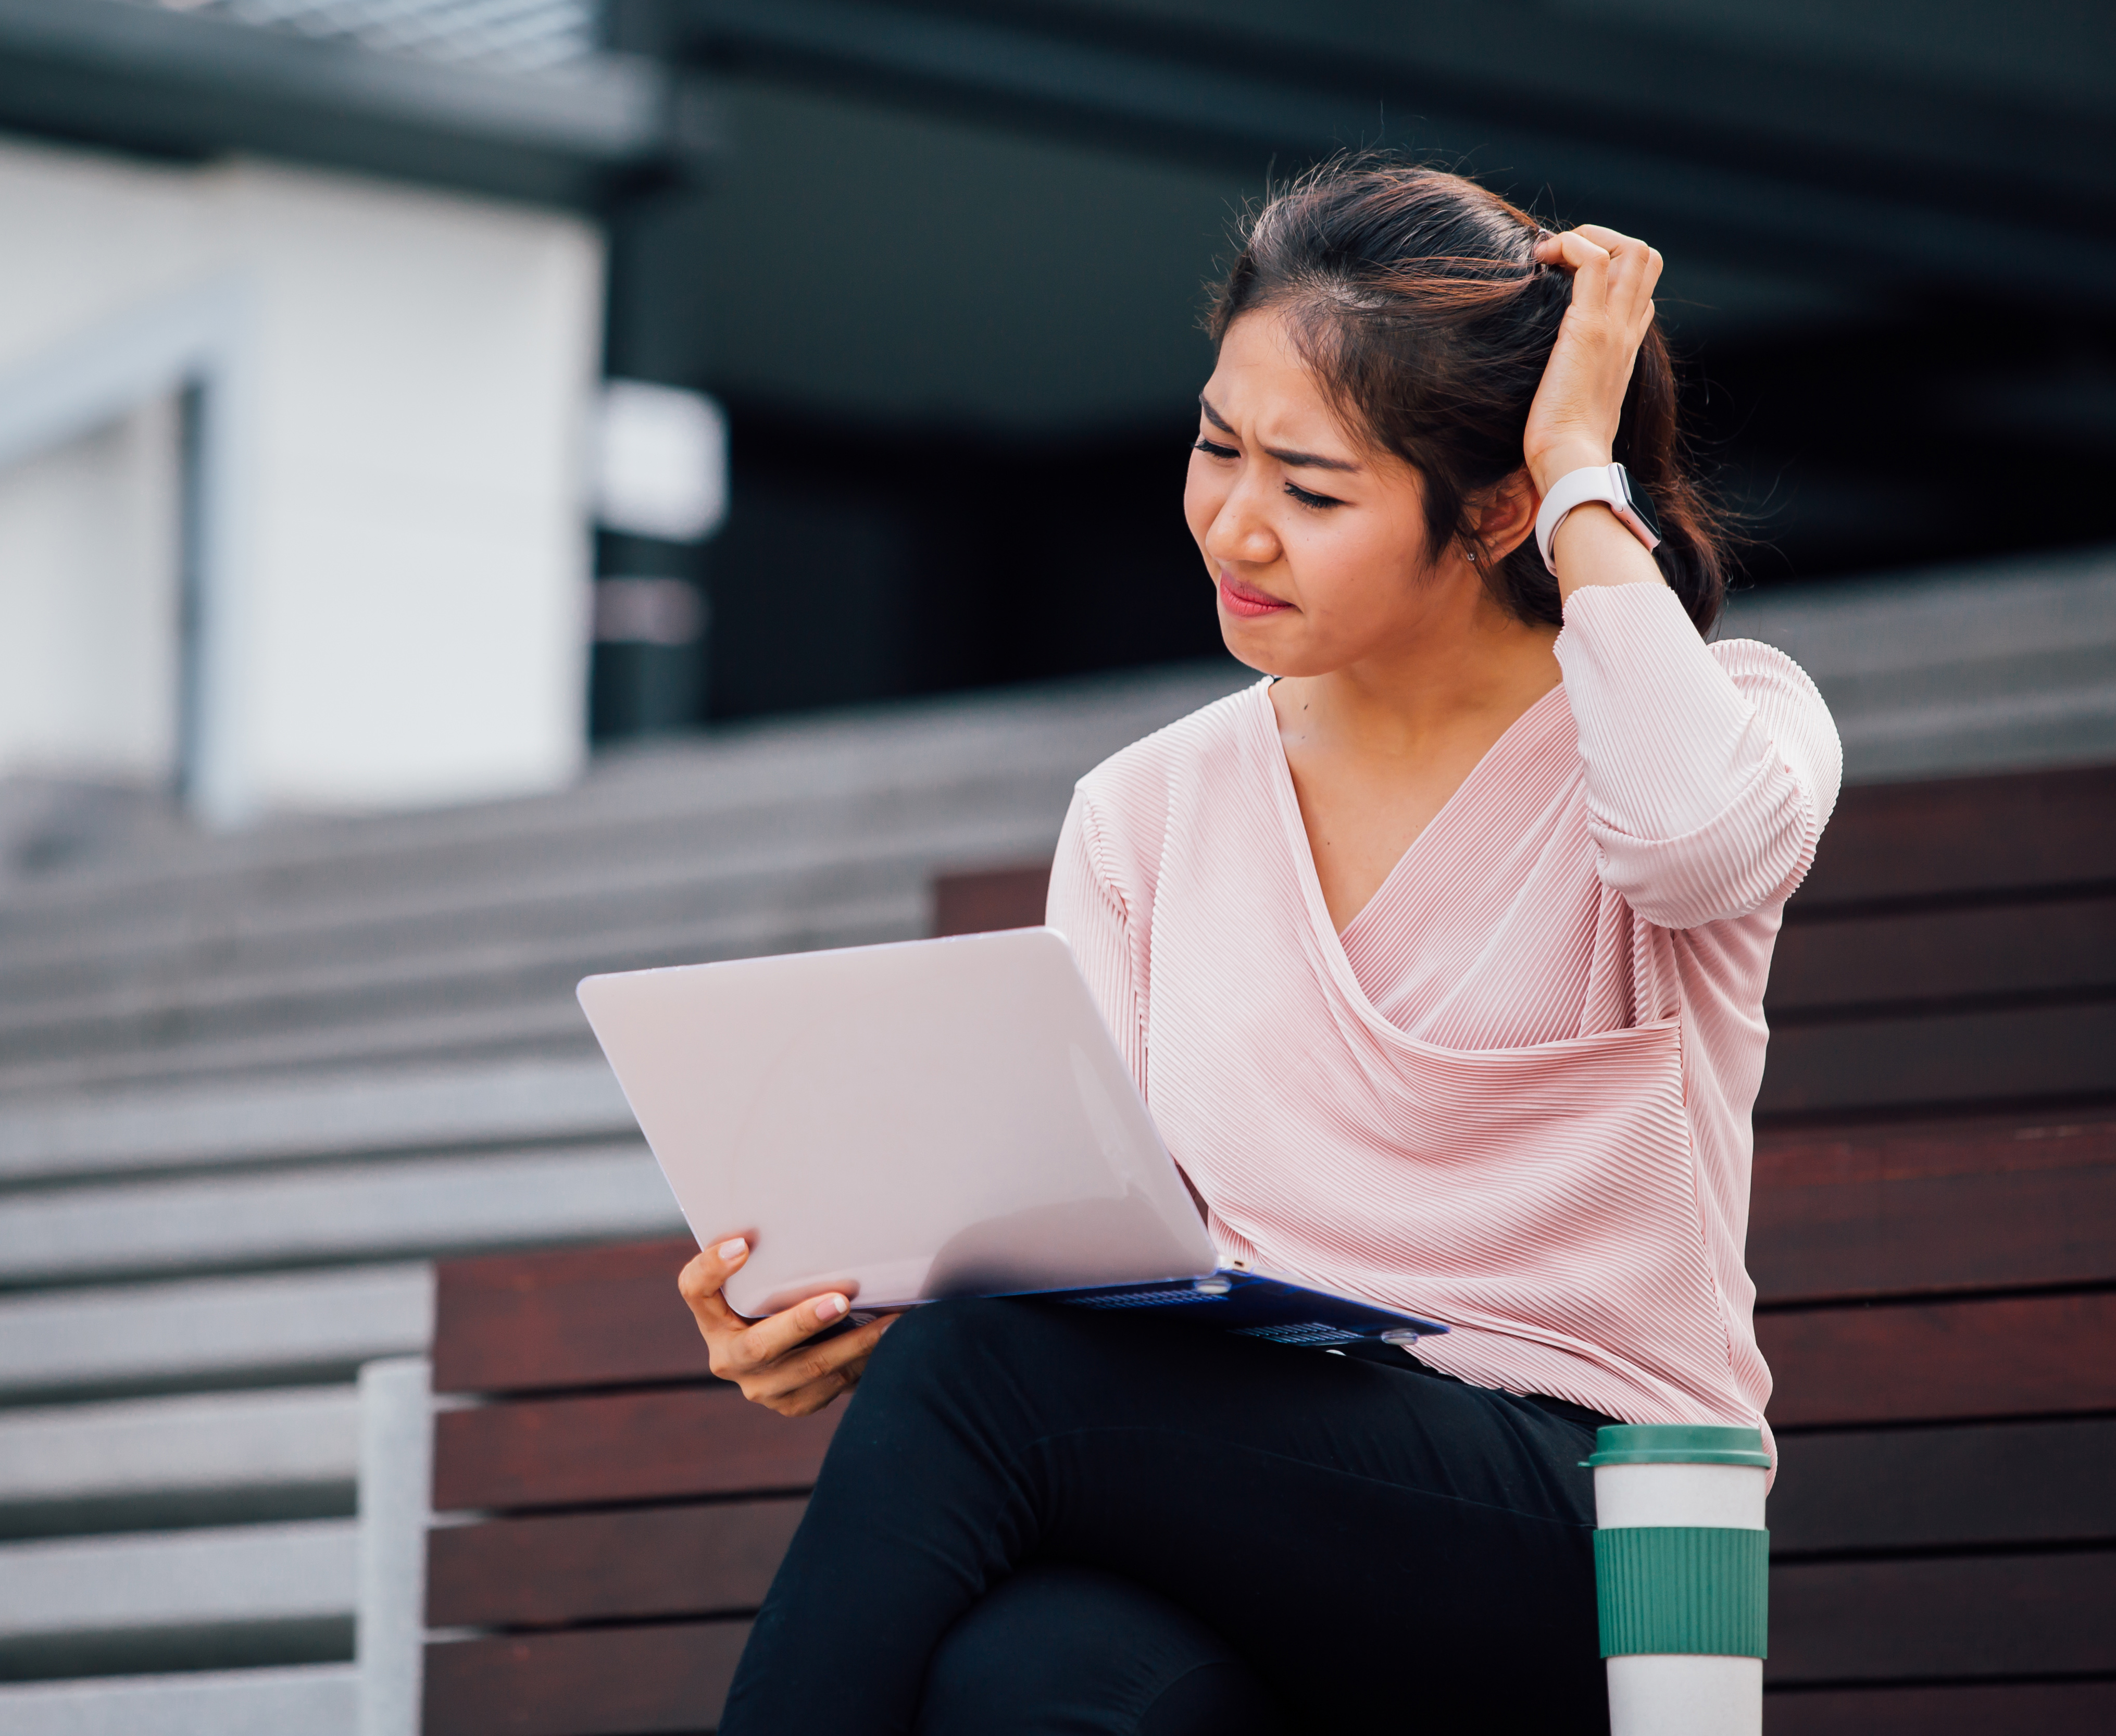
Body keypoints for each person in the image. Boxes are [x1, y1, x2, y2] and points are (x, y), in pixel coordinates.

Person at [675, 157, 1840, 1735]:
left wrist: (1581, 469)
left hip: (1592, 1528)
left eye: (1314, 489)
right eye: (1220, 447)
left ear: (1493, 509)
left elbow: (1698, 846)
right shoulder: (1145, 812)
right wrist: (854, 1315)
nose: (1236, 523)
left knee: (987, 1377)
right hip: (1252, 1512)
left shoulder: (1715, 728)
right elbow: (1089, 1242)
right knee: (1025, 1678)